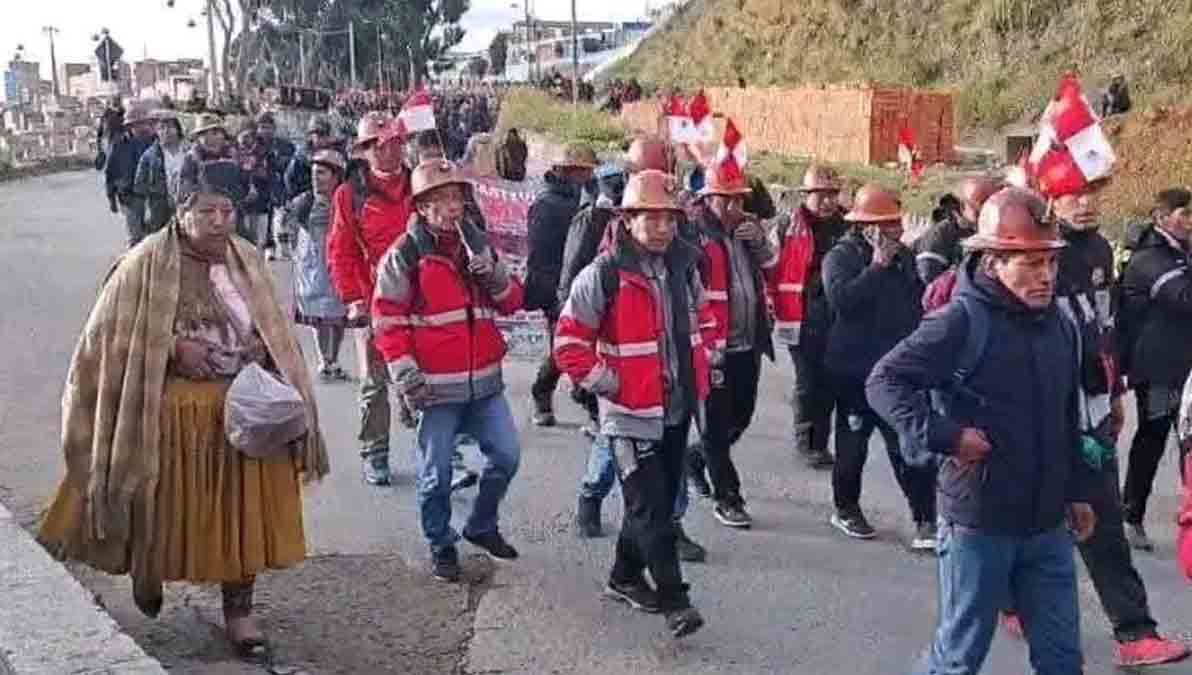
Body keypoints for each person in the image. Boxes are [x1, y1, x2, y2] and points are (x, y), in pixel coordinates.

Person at [38, 163, 330, 662]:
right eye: (206, 211)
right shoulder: (144, 262)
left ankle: (240, 612)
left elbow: (274, 324)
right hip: (170, 418)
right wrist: (173, 347)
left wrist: (264, 343)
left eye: (228, 211)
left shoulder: (248, 257)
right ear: (181, 212)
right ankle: (146, 567)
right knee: (165, 510)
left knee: (243, 515)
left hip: (244, 413)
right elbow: (107, 337)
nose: (219, 221)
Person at [867, 187, 1098, 674]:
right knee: (960, 657)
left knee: (1062, 660)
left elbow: (1065, 416)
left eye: (1050, 262)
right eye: (1030, 263)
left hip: (1046, 524)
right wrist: (947, 436)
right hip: (979, 523)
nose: (1046, 276)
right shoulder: (961, 320)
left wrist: (1078, 490)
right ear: (993, 261)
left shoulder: (1061, 325)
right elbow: (884, 382)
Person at [995, 186, 1190, 667]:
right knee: (1026, 515)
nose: (1085, 204)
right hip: (1038, 416)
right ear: (1048, 203)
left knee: (1102, 522)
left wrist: (1114, 389)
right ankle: (1010, 598)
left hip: (1092, 410)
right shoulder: (1021, 258)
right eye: (1071, 195)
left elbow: (1105, 329)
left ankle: (1134, 632)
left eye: (1090, 193)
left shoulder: (1099, 250)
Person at [555, 169, 716, 639]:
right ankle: (675, 600)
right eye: (652, 218)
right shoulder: (601, 275)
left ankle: (624, 576)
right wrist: (605, 382)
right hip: (628, 415)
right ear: (628, 220)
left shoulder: (684, 269)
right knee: (652, 510)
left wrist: (708, 363)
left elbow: (702, 320)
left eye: (669, 218)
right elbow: (567, 342)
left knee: (654, 504)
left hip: (674, 409)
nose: (662, 228)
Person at [372, 159, 523, 582]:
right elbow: (386, 320)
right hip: (435, 391)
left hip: (485, 385)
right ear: (421, 207)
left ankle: (482, 524)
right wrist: (405, 376)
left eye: (455, 198)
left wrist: (492, 275)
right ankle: (441, 543)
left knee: (507, 457)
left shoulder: (479, 246)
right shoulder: (405, 256)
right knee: (436, 476)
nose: (450, 208)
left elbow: (512, 302)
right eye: (438, 200)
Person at [819, 184, 935, 545]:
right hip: (853, 371)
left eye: (897, 224)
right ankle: (846, 508)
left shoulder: (904, 258)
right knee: (853, 444)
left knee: (908, 445)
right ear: (867, 227)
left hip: (895, 373)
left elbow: (915, 304)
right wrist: (875, 268)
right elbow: (843, 301)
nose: (897, 231)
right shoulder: (840, 257)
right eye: (889, 224)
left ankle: (926, 519)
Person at [327, 112, 415, 486]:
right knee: (374, 382)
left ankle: (444, 452)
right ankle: (375, 451)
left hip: (423, 299)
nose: (387, 152)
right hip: (375, 302)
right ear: (363, 151)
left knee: (429, 376)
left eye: (394, 143)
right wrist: (353, 300)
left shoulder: (421, 183)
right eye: (377, 146)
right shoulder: (350, 195)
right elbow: (340, 251)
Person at [686, 164, 775, 530]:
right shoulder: (692, 234)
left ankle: (694, 459)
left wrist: (760, 243)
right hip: (712, 347)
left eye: (738, 200)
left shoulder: (747, 232)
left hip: (747, 343)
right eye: (725, 200)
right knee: (715, 425)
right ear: (709, 200)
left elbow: (773, 266)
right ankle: (729, 497)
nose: (733, 208)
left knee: (741, 418)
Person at [1118, 188, 1192, 551]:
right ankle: (1130, 515)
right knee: (1153, 437)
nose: (1190, 221)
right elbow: (1183, 298)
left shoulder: (1183, 253)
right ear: (1162, 217)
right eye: (1184, 213)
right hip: (1159, 365)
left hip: (1186, 366)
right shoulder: (1149, 258)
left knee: (1189, 445)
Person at [771, 165, 848, 469]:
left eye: (832, 195)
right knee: (808, 380)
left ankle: (820, 441)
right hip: (799, 315)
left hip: (835, 318)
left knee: (828, 381)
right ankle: (807, 440)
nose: (827, 202)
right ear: (807, 196)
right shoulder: (788, 225)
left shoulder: (846, 225)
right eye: (821, 195)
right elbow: (772, 267)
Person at [526, 143, 598, 427]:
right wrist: (556, 293)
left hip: (587, 281)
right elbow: (540, 256)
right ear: (567, 171)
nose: (586, 176)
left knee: (587, 344)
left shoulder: (589, 198)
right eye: (582, 171)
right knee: (564, 348)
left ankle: (590, 401)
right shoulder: (546, 205)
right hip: (558, 286)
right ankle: (543, 391)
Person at [283, 149, 351, 382]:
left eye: (322, 173)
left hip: (340, 263)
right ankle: (326, 360)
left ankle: (335, 356)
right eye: (314, 173)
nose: (316, 178)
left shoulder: (347, 199)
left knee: (339, 315)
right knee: (319, 314)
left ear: (336, 176)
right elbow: (290, 228)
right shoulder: (303, 202)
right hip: (313, 267)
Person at [914, 177, 999, 285]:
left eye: (993, 204)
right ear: (962, 206)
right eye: (981, 205)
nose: (987, 211)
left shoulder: (997, 230)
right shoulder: (941, 235)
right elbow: (929, 276)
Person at [177, 114, 248, 231]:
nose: (210, 137)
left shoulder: (233, 155)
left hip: (231, 211)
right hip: (204, 215)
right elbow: (185, 189)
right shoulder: (192, 158)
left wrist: (242, 194)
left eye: (216, 132)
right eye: (203, 134)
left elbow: (242, 181)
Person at [105, 101, 158, 247]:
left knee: (154, 236)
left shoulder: (155, 142)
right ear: (129, 126)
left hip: (152, 195)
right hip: (129, 196)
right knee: (135, 238)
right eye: (136, 124)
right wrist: (111, 197)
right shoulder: (119, 144)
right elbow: (111, 171)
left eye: (143, 123)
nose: (141, 127)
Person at [134, 109, 188, 235]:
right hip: (159, 207)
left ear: (178, 130)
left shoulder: (189, 151)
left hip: (187, 205)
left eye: (170, 127)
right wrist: (145, 210)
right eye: (162, 128)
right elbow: (140, 185)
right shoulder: (150, 156)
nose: (166, 132)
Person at [284, 116, 339, 201]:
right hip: (306, 195)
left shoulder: (334, 152)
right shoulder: (301, 155)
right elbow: (289, 178)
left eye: (323, 135)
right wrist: (296, 197)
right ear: (311, 136)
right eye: (317, 135)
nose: (320, 139)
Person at [238, 129, 276, 250]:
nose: (245, 144)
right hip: (244, 205)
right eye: (243, 142)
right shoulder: (237, 156)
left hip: (262, 203)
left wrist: (260, 172)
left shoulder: (265, 155)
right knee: (246, 241)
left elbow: (271, 176)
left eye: (248, 139)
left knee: (259, 242)